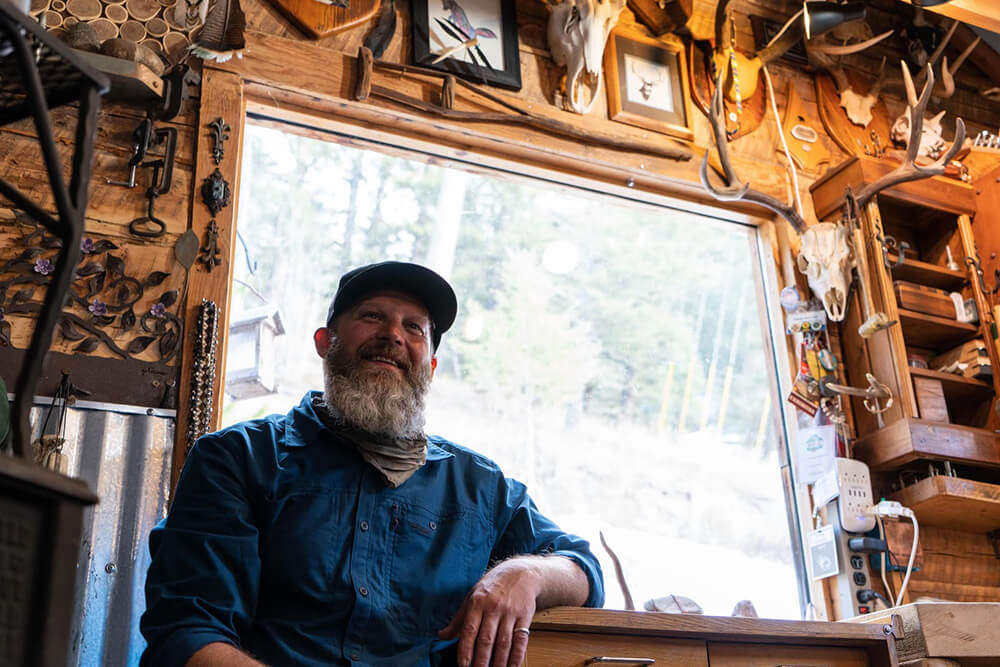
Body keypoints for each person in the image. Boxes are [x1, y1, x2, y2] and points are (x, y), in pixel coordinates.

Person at [140, 261, 605, 667]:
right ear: (325, 342)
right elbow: (185, 632)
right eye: (372, 316)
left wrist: (525, 574)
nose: (393, 335)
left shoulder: (481, 487)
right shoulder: (238, 458)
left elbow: (583, 570)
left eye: (414, 327)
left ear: (431, 367)